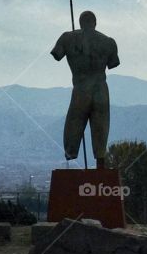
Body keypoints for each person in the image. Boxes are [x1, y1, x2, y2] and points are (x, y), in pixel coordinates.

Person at [50, 10, 120, 169]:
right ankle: (100, 161)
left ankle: (70, 154)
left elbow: (57, 54)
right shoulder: (108, 42)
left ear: (80, 22)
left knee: (74, 123)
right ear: (95, 23)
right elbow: (113, 63)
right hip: (100, 90)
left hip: (81, 89)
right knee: (101, 126)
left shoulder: (67, 38)